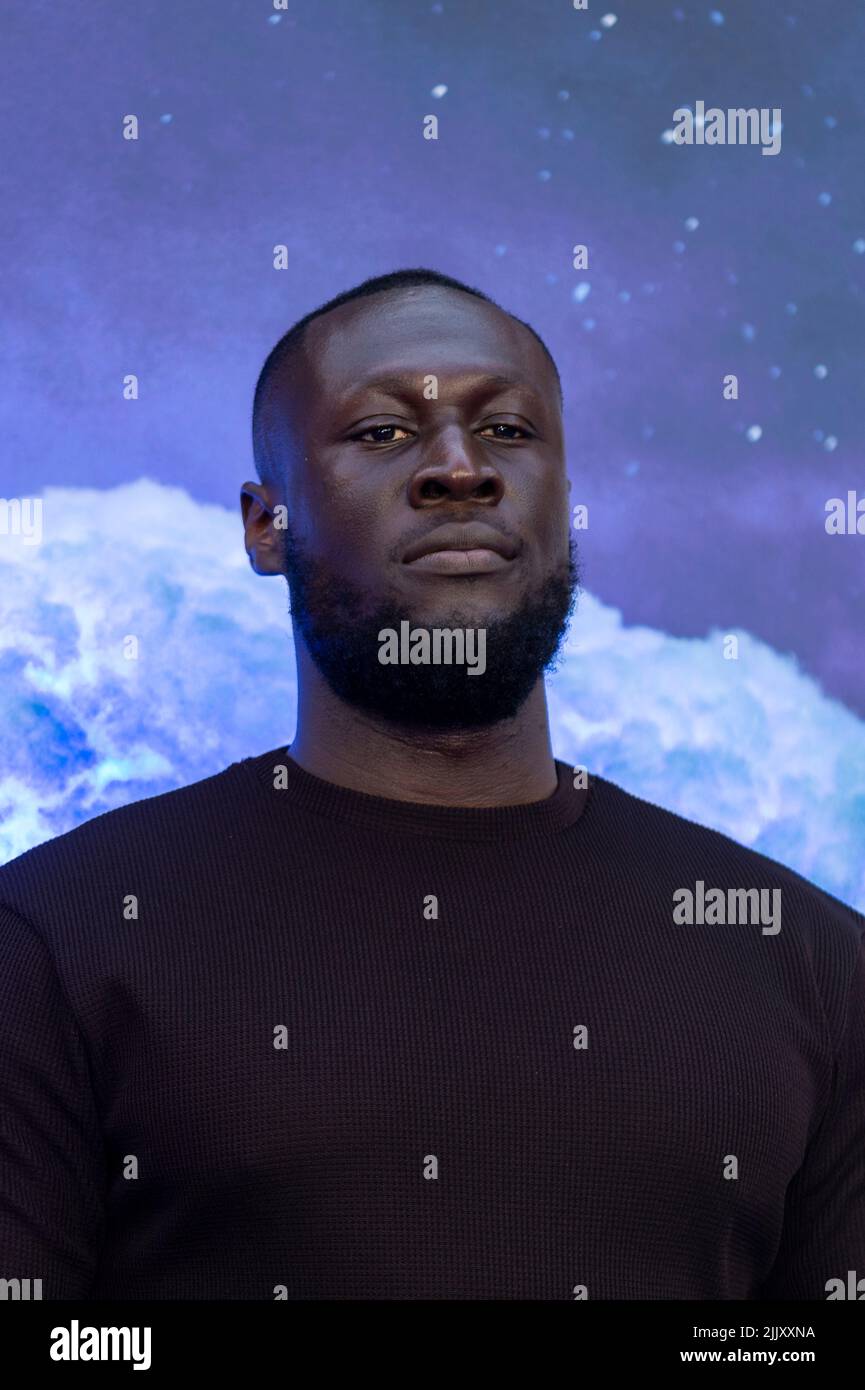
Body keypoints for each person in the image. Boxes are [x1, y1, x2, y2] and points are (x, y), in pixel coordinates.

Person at [0, 268, 862, 1301]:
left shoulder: (807, 961)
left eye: (505, 430)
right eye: (380, 432)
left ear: (564, 498)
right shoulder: (56, 942)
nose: (459, 468)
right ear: (265, 525)